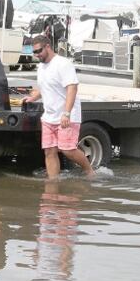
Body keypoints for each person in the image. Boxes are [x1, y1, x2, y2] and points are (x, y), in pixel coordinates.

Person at [23, 34, 96, 181]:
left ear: (48, 46)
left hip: (67, 115)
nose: (37, 55)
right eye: (34, 52)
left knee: (67, 150)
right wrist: (33, 97)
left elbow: (72, 88)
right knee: (49, 151)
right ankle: (53, 181)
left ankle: (90, 172)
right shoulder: (41, 67)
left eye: (39, 51)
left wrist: (66, 113)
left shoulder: (63, 63)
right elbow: (43, 87)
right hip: (49, 117)